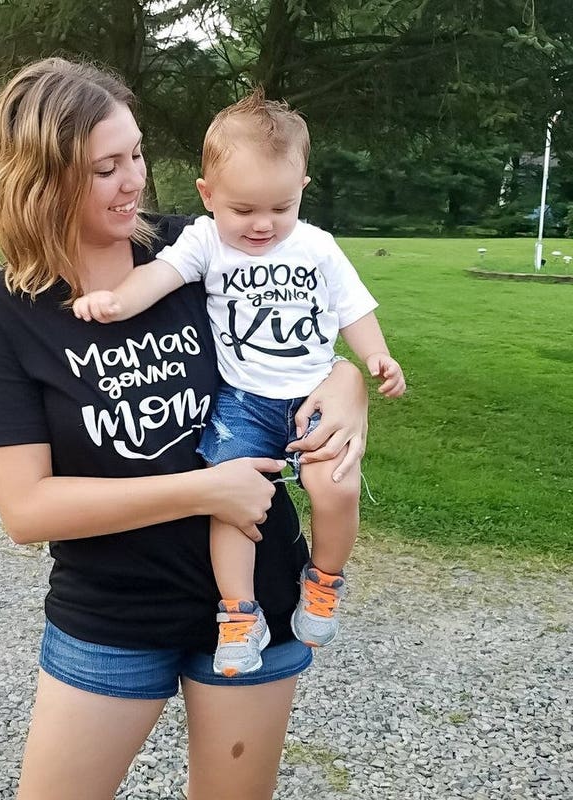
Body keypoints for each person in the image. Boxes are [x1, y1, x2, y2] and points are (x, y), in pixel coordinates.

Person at [0, 57, 369, 800]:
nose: (135, 182)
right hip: (112, 613)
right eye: (105, 168)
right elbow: (27, 509)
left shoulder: (202, 247)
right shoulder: (1, 309)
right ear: (39, 180)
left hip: (254, 599)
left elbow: (303, 341)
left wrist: (348, 384)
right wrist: (205, 490)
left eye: (137, 154)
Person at [72, 90, 406, 678]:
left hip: (311, 394)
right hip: (243, 402)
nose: (262, 224)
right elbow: (159, 275)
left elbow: (353, 307)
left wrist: (373, 358)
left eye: (281, 207)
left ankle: (324, 581)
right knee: (232, 502)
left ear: (302, 187)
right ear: (208, 196)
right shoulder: (204, 240)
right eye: (243, 209)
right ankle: (238, 612)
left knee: (335, 488)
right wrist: (116, 303)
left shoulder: (316, 246)